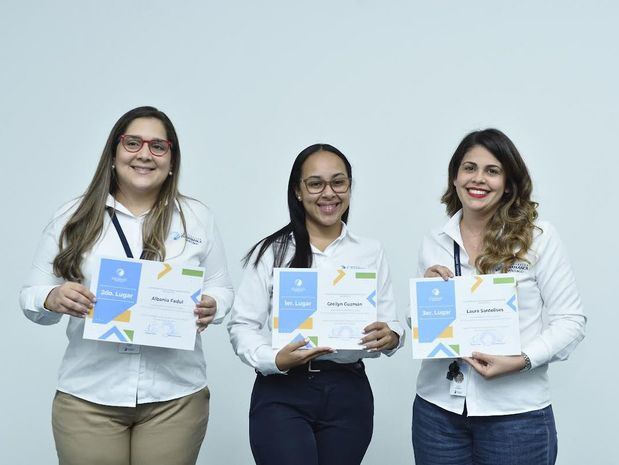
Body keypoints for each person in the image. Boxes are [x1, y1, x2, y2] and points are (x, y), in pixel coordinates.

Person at [20, 106, 234, 465]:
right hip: (88, 398)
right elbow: (30, 294)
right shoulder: (72, 217)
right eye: (132, 143)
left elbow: (222, 288)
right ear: (114, 152)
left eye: (158, 146)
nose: (144, 154)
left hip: (175, 397)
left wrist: (214, 306)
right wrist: (52, 297)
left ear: (171, 158)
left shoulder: (197, 218)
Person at [412, 128, 586, 465]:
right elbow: (420, 325)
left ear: (508, 183)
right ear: (455, 177)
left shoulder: (538, 238)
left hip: (516, 417)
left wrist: (520, 360)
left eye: (492, 170)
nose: (478, 179)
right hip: (438, 414)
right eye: (469, 168)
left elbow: (571, 322)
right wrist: (426, 297)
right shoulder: (434, 241)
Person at [228, 143, 404, 465]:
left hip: (349, 390)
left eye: (338, 182)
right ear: (298, 190)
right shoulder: (273, 251)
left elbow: (391, 322)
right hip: (283, 390)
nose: (328, 193)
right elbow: (242, 325)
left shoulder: (370, 251)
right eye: (315, 183)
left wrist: (391, 335)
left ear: (349, 187)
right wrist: (274, 359)